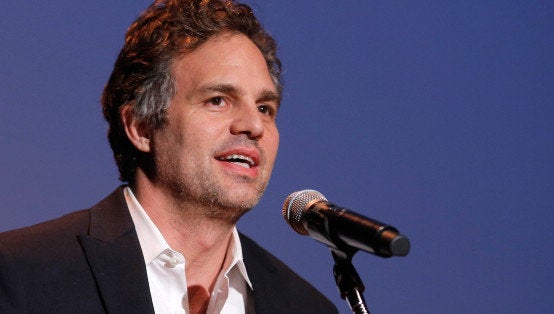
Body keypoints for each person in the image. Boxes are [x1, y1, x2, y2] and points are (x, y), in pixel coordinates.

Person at [0, 1, 338, 313]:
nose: (253, 125)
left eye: (265, 108)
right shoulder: (23, 272)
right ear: (142, 128)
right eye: (218, 100)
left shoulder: (305, 307)